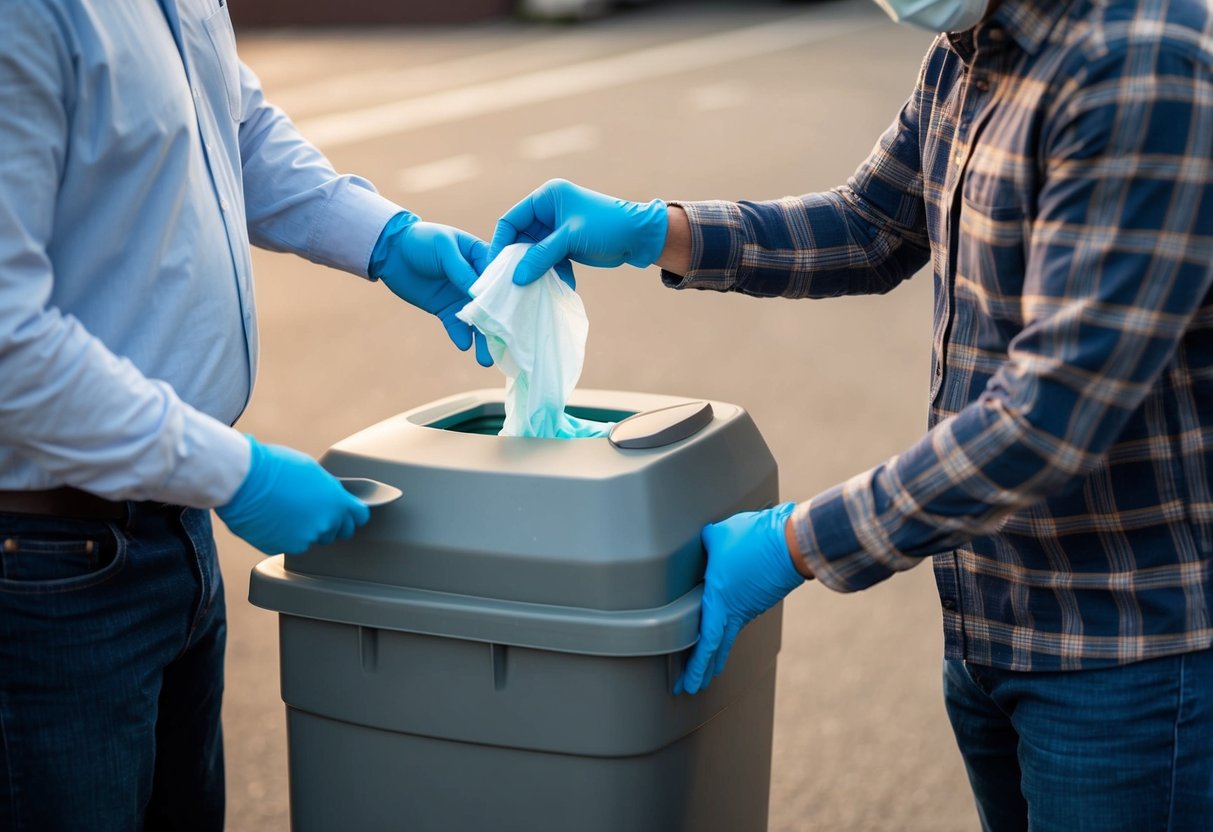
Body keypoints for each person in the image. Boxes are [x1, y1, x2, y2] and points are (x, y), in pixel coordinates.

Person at [490, 0, 1213, 828]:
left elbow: (1048, 417)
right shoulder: (967, 47)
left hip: (1122, 655)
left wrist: (794, 541)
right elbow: (871, 226)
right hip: (989, 617)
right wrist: (662, 232)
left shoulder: (1139, 63)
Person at [0, 2, 491, 829]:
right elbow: (10, 346)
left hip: (172, 529)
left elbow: (230, 123)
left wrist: (381, 236)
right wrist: (238, 472)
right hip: (47, 573)